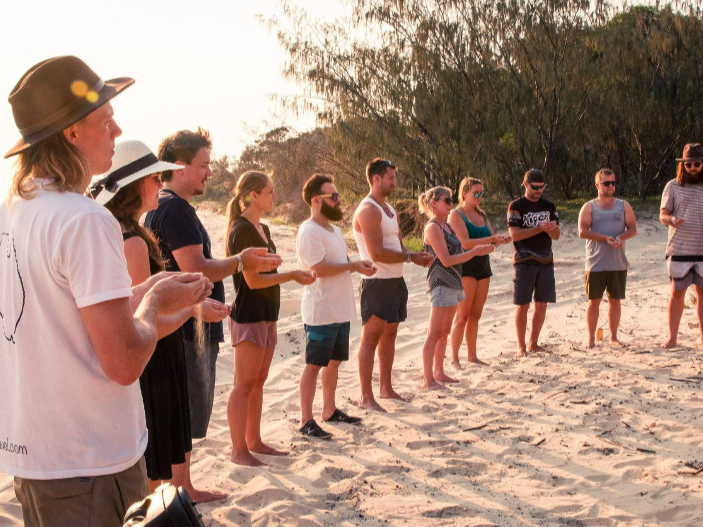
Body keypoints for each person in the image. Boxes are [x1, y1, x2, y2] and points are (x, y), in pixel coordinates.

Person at [0, 56, 211, 527]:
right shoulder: (84, 219)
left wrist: (147, 290)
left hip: (35, 458)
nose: (117, 131)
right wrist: (155, 302)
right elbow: (123, 362)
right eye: (105, 119)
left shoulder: (14, 210)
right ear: (71, 133)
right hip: (90, 462)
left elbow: (63, 319)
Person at [89, 140, 231, 502]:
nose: (160, 183)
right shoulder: (133, 242)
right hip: (154, 354)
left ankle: (181, 497)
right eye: (154, 178)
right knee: (156, 463)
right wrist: (192, 310)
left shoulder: (124, 230)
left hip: (157, 349)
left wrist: (193, 307)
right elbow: (142, 315)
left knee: (164, 451)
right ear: (137, 185)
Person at [146, 129, 282, 448]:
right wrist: (240, 261)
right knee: (185, 413)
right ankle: (185, 488)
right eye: (204, 164)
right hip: (187, 329)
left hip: (179, 323)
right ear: (180, 167)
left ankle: (186, 486)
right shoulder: (176, 209)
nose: (210, 172)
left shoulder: (161, 205)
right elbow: (197, 268)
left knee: (180, 413)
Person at [225, 171, 316, 465]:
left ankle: (254, 441)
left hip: (267, 314)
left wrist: (281, 269)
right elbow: (252, 282)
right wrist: (289, 274)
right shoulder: (241, 230)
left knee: (259, 381)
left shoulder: (262, 227)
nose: (275, 196)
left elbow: (266, 271)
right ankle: (239, 451)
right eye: (270, 191)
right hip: (249, 315)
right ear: (253, 195)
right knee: (244, 383)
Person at [296, 174, 376, 439]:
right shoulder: (308, 230)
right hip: (320, 310)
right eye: (334, 196)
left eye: (338, 194)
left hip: (340, 309)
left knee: (334, 363)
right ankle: (306, 420)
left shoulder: (335, 230)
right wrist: (353, 266)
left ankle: (329, 410)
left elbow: (339, 263)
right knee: (314, 365)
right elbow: (318, 268)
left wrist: (357, 264)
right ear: (317, 200)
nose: (339, 200)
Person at [352, 158, 434, 412]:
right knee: (371, 337)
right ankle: (366, 396)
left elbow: (397, 246)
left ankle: (386, 388)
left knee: (390, 335)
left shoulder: (388, 209)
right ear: (376, 179)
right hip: (376, 282)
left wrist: (414, 255)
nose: (395, 182)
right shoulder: (368, 210)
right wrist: (410, 257)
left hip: (395, 280)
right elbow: (375, 253)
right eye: (391, 178)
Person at [419, 187, 494, 389]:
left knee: (444, 331)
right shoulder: (433, 227)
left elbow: (460, 249)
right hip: (440, 282)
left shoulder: (447, 227)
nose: (450, 204)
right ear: (433, 203)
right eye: (446, 200)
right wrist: (474, 252)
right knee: (434, 332)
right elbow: (446, 259)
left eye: (451, 200)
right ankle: (428, 379)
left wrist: (480, 250)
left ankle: (439, 372)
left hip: (453, 282)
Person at [448, 178, 510, 368]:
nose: (479, 197)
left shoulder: (481, 214)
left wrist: (500, 240)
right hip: (466, 265)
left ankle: (472, 356)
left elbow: (491, 240)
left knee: (476, 314)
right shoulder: (456, 214)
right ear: (464, 193)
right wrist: (492, 238)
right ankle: (454, 358)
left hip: (483, 265)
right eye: (476, 193)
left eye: (482, 193)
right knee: (462, 315)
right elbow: (464, 242)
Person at [578, 168, 637, 348]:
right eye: (606, 183)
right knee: (594, 301)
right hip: (595, 263)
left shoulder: (623, 205)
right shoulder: (589, 207)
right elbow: (582, 232)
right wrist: (605, 239)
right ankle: (590, 339)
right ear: (597, 185)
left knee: (615, 300)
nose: (610, 186)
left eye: (613, 183)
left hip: (617, 262)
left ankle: (613, 337)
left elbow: (633, 229)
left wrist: (621, 238)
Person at [507, 169, 560, 358]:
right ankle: (521, 346)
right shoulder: (516, 206)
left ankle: (533, 343)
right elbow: (514, 234)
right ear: (525, 184)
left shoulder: (549, 206)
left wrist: (551, 230)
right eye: (534, 187)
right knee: (522, 304)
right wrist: (538, 228)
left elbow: (557, 235)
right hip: (524, 260)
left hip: (546, 259)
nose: (538, 191)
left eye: (541, 187)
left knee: (542, 303)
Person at [660, 143, 703, 348]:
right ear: (682, 165)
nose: (692, 168)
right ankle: (672, 338)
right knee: (677, 293)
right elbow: (663, 214)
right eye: (688, 165)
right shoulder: (672, 187)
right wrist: (671, 220)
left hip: (702, 249)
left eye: (696, 164)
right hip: (679, 249)